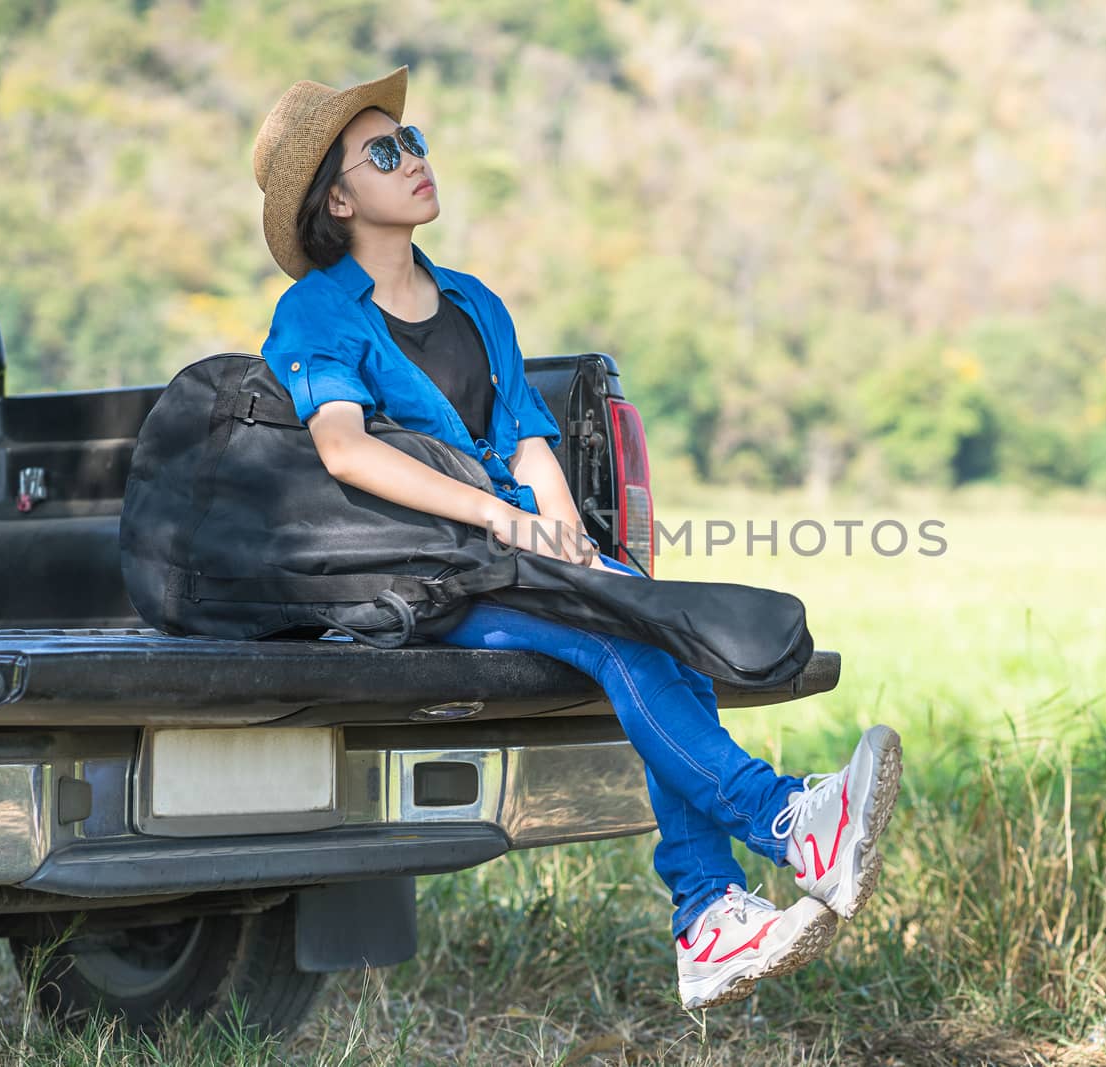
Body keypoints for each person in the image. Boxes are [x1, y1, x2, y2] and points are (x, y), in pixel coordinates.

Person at [252, 67, 903, 1010]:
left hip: (512, 557)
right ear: (341, 198)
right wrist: (498, 517)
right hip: (421, 573)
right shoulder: (317, 312)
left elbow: (529, 438)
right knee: (613, 635)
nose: (416, 162)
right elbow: (345, 450)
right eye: (385, 153)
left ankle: (711, 911)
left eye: (416, 140)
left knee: (645, 619)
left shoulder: (474, 301)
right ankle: (783, 826)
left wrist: (578, 546)